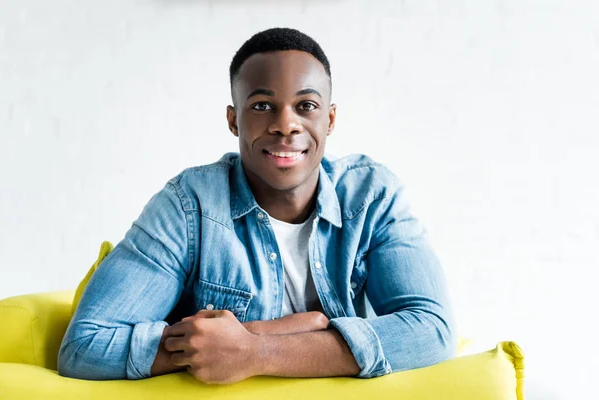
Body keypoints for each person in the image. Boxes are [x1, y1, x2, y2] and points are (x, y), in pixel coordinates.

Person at [58, 27, 456, 384]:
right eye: (262, 106)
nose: (286, 124)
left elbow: (432, 331)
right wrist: (276, 333)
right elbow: (85, 346)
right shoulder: (189, 205)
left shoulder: (371, 195)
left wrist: (255, 350)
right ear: (234, 120)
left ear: (330, 119)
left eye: (307, 106)